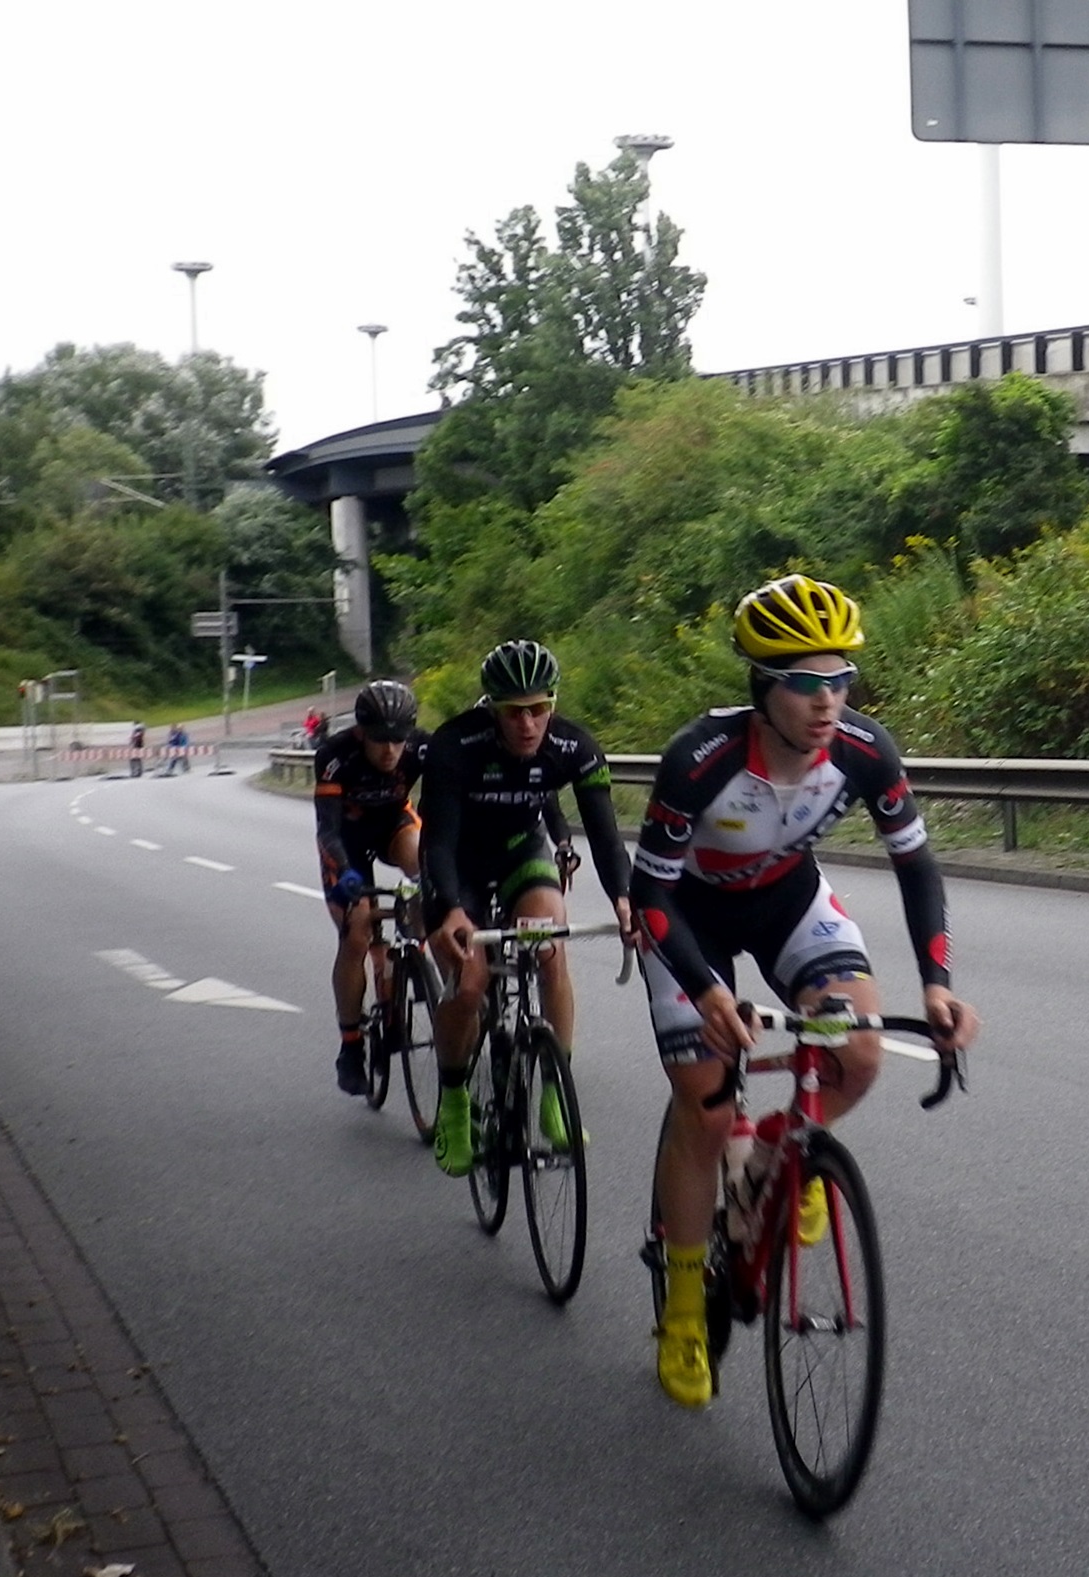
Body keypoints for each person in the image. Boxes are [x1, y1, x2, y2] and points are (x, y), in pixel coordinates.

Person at [635, 575, 980, 1408]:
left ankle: (776, 1154)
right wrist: (706, 991)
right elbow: (649, 895)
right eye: (804, 682)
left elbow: (917, 867)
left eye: (841, 679)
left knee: (859, 1053)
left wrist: (937, 985)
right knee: (706, 1107)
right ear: (763, 688)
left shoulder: (864, 749)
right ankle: (683, 1309)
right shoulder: (701, 759)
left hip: (788, 902)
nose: (828, 700)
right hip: (688, 918)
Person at [418, 640, 633, 1179]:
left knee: (551, 951)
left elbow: (606, 839)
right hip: (459, 863)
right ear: (492, 708)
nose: (528, 723)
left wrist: (625, 899)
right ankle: (454, 1102)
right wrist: (450, 910)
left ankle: (555, 1094)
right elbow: (436, 842)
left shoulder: (574, 745)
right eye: (514, 712)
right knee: (469, 983)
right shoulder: (455, 744)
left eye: (539, 708)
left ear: (553, 704)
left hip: (521, 852)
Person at [315, 681, 427, 1096]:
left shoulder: (421, 747)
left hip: (393, 824)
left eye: (399, 740)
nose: (391, 751)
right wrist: (344, 872)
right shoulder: (335, 755)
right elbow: (327, 831)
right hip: (346, 843)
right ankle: (350, 1046)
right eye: (380, 740)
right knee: (357, 933)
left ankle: (415, 957)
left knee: (426, 865)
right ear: (361, 732)